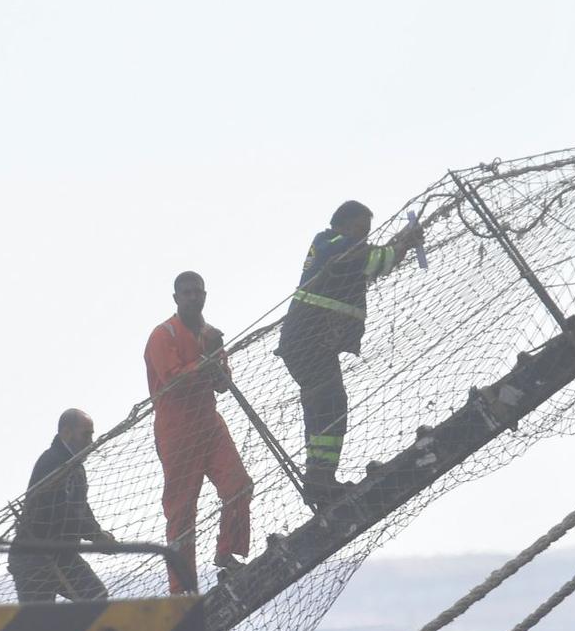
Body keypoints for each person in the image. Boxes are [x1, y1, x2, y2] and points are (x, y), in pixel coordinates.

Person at [276, 200, 423, 506]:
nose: (364, 238)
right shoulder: (329, 243)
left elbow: (375, 259)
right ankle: (319, 477)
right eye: (360, 231)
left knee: (327, 405)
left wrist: (400, 244)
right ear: (342, 225)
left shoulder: (347, 248)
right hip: (307, 341)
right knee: (329, 401)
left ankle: (319, 475)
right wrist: (403, 243)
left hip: (314, 343)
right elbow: (369, 259)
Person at [145, 270, 252, 592]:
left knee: (239, 486)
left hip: (209, 423)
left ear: (205, 295)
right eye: (187, 292)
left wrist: (216, 359)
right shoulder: (163, 335)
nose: (193, 297)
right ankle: (182, 588)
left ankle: (226, 553)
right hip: (176, 431)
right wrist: (208, 359)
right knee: (181, 513)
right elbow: (174, 379)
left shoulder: (210, 334)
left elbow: (222, 385)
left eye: (198, 292)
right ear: (176, 298)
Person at [7, 408, 109, 603]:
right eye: (85, 435)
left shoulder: (74, 465)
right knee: (39, 620)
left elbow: (81, 508)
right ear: (66, 433)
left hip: (61, 555)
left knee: (96, 596)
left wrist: (98, 534)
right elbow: (65, 512)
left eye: (91, 435)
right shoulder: (53, 463)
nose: (91, 442)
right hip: (34, 556)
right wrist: (98, 537)